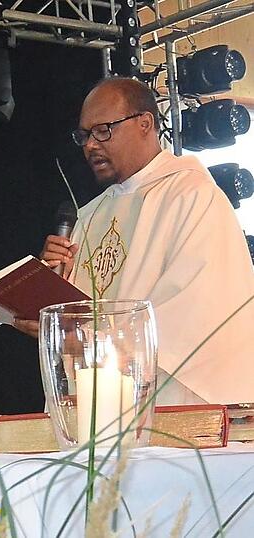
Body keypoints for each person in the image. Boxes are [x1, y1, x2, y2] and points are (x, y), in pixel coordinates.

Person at [16, 76, 254, 405]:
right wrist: (51, 282)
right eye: (84, 135)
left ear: (145, 123)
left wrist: (82, 340)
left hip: (170, 405)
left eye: (103, 130)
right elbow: (83, 309)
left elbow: (193, 314)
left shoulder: (192, 196)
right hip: (100, 405)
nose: (90, 145)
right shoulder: (89, 214)